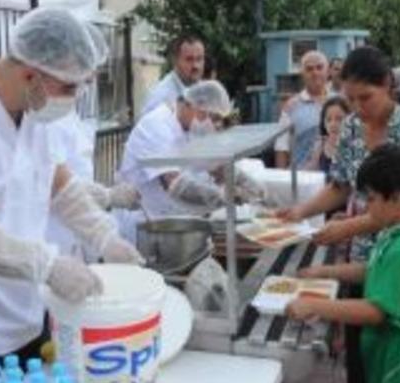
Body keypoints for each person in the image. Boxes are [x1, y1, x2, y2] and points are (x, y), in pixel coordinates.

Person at [0, 8, 144, 363]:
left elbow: (62, 188)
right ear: (30, 75)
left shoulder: (36, 114)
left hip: (26, 315)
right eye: (69, 87)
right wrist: (47, 265)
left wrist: (105, 237)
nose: (75, 96)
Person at [278, 46, 400, 383]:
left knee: (392, 367)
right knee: (365, 369)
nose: (357, 107)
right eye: (350, 98)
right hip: (372, 258)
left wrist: (343, 228)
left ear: (387, 85)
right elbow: (342, 185)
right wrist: (300, 212)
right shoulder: (351, 126)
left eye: (365, 97)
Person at [289, 144, 400, 383]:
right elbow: (373, 272)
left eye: (371, 198)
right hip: (389, 355)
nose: (365, 208)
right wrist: (324, 272)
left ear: (395, 197)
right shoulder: (394, 234)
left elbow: (374, 311)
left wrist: (314, 305)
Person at [46, 23, 141, 259]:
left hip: (74, 233)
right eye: (85, 77)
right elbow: (51, 183)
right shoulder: (45, 115)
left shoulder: (65, 107)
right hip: (52, 235)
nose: (88, 84)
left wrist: (103, 236)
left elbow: (65, 179)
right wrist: (108, 196)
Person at [117, 80, 248, 241]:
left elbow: (216, 167)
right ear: (190, 105)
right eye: (207, 115)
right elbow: (175, 185)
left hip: (177, 223)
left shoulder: (190, 128)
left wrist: (248, 182)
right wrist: (221, 196)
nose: (209, 123)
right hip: (148, 226)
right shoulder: (157, 126)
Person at [274, 50, 331, 169]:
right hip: (302, 177)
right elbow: (281, 147)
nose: (315, 72)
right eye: (309, 69)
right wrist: (282, 179)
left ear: (328, 71)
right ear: (302, 74)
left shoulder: (339, 101)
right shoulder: (291, 106)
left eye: (319, 67)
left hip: (334, 177)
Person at [141, 33, 205, 116]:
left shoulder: (203, 90)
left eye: (199, 59)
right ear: (175, 61)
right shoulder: (161, 97)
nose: (195, 65)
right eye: (189, 59)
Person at [307, 96, 352, 174]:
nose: (333, 124)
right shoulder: (320, 145)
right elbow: (309, 173)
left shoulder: (354, 145)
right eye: (328, 119)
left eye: (339, 119)